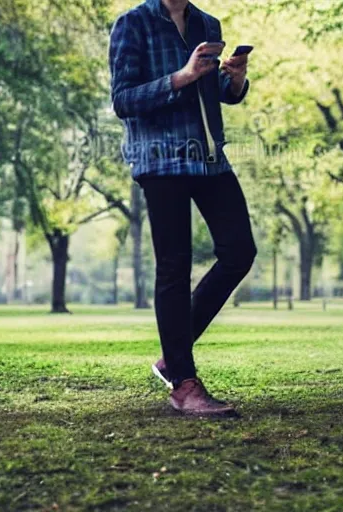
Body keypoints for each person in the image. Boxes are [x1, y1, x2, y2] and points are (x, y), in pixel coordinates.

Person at [109, 0, 257, 415]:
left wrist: (236, 82)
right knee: (174, 265)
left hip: (209, 157)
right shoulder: (132, 25)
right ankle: (183, 383)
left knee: (239, 251)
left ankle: (172, 355)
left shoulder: (206, 23)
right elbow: (122, 100)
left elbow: (214, 96)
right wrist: (182, 76)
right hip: (159, 159)